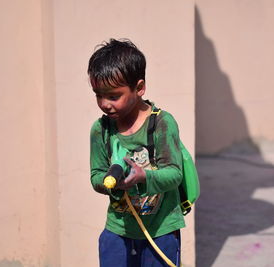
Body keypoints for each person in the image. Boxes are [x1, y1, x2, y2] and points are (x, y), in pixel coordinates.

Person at [88, 38, 185, 267]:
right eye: (98, 95)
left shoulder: (162, 123)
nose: (104, 103)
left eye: (113, 96)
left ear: (139, 88)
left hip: (160, 231)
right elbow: (96, 176)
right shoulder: (100, 130)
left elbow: (174, 173)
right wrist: (111, 183)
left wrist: (144, 177)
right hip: (118, 230)